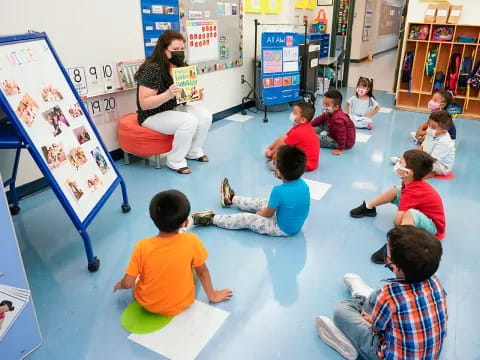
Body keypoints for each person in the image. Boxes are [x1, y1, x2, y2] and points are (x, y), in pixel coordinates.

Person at [315, 226, 447, 360]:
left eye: (387, 253)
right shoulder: (436, 283)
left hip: (385, 354)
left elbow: (376, 329)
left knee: (342, 311)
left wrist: (372, 321)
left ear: (396, 267)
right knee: (377, 298)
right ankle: (367, 297)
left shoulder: (389, 295)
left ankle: (350, 337)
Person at [113, 190, 232, 316]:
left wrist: (121, 284)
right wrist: (212, 296)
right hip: (182, 302)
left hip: (148, 304)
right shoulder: (191, 240)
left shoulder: (141, 247)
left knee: (139, 275)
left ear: (151, 217)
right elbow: (203, 272)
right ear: (186, 222)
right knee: (193, 267)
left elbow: (128, 283)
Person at [135, 30, 212, 174]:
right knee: (189, 121)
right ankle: (175, 160)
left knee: (205, 116)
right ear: (164, 50)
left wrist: (194, 95)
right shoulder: (152, 69)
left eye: (182, 49)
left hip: (174, 108)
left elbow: (183, 94)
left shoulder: (181, 65)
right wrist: (168, 94)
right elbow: (144, 104)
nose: (179, 52)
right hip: (152, 114)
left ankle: (194, 152)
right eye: (175, 49)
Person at [350, 149, 445, 263]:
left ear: (407, 173)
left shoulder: (412, 192)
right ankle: (368, 207)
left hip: (434, 228)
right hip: (423, 213)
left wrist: (402, 218)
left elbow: (397, 222)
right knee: (396, 191)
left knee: (410, 215)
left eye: (401, 162)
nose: (398, 163)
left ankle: (395, 248)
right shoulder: (409, 182)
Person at [192, 145, 310, 236]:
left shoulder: (278, 191)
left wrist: (259, 214)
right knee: (264, 202)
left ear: (279, 171)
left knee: (247, 219)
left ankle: (212, 219)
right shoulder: (304, 185)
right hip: (294, 225)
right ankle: (231, 199)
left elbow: (267, 214)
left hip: (281, 229)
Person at [392, 111, 455, 177]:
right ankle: (406, 161)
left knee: (417, 167)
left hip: (440, 166)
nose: (429, 128)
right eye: (429, 125)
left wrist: (415, 159)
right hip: (428, 156)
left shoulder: (444, 142)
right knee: (414, 155)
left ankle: (410, 165)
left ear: (443, 131)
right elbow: (422, 147)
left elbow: (432, 159)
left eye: (433, 127)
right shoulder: (433, 132)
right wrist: (412, 155)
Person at [264, 102, 320, 171]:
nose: (292, 114)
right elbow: (284, 137)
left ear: (303, 120)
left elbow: (282, 145)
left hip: (305, 164)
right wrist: (269, 148)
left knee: (276, 156)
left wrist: (270, 153)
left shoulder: (299, 132)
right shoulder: (301, 126)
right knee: (279, 149)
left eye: (294, 113)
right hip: (307, 160)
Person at [311, 90, 356, 156]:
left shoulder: (338, 120)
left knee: (313, 138)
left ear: (336, 107)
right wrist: (309, 125)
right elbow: (321, 118)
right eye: (323, 103)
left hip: (342, 142)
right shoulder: (330, 112)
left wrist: (340, 149)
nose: (324, 106)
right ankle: (309, 131)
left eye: (326, 104)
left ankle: (310, 135)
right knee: (322, 123)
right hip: (333, 131)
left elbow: (342, 135)